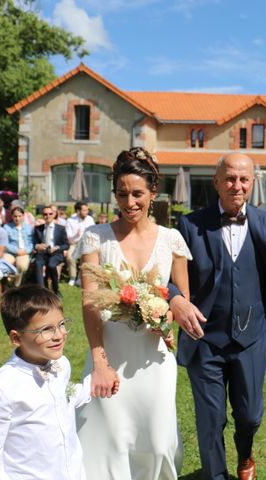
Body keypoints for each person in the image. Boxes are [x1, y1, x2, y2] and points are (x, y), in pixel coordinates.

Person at [169, 152, 266, 480]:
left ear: (252, 183)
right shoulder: (190, 225)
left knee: (249, 416)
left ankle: (245, 453)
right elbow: (167, 278)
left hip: (251, 338)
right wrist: (176, 300)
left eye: (244, 179)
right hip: (203, 339)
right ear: (216, 182)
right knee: (210, 419)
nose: (237, 185)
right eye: (230, 178)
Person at [74, 147, 190, 479]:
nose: (129, 202)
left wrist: (163, 318)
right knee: (109, 438)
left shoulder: (173, 240)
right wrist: (99, 363)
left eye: (137, 193)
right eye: (122, 194)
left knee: (158, 442)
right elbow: (89, 303)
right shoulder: (96, 237)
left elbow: (179, 300)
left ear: (153, 193)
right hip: (110, 351)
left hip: (155, 358)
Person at [0, 285, 92, 479]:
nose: (59, 335)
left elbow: (65, 398)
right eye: (46, 329)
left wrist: (92, 386)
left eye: (62, 324)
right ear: (16, 338)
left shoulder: (61, 364)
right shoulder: (2, 388)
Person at [32, 205, 68, 297]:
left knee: (51, 265)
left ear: (54, 214)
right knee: (37, 263)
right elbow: (34, 243)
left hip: (55, 253)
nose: (47, 216)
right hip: (42, 253)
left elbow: (66, 245)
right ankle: (42, 291)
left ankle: (56, 289)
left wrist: (57, 248)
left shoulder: (60, 228)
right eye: (45, 214)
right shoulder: (38, 228)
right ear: (42, 216)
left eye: (50, 214)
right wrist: (38, 246)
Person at [65, 201, 95, 286]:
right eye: (84, 210)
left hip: (87, 243)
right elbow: (69, 238)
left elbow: (94, 233)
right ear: (78, 211)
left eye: (87, 210)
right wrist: (76, 235)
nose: (87, 212)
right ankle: (72, 277)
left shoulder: (90, 219)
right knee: (70, 257)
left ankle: (80, 278)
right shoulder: (70, 221)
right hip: (74, 244)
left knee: (86, 256)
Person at [3, 206, 34, 287]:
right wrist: (16, 251)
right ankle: (9, 283)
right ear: (12, 217)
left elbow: (31, 242)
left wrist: (26, 251)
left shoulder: (29, 228)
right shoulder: (7, 227)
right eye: (15, 216)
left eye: (20, 216)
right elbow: (5, 243)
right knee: (5, 263)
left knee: (23, 266)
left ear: (23, 216)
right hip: (11, 252)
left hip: (24, 252)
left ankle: (16, 284)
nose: (17, 218)